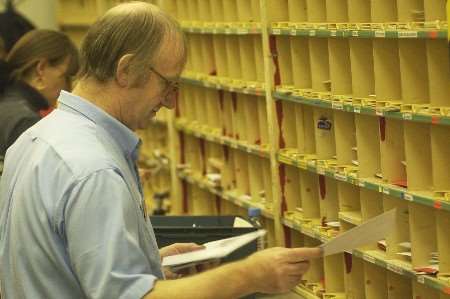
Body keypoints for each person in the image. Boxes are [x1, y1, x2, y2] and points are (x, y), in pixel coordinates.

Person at [0, 2, 322, 299]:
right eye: (167, 84)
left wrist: (150, 265)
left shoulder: (36, 139)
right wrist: (249, 275)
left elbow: (56, 266)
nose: (170, 101)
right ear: (125, 70)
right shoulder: (93, 168)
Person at [0, 29, 79, 156]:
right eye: (66, 77)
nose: (70, 89)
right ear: (40, 70)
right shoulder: (26, 122)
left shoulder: (8, 105)